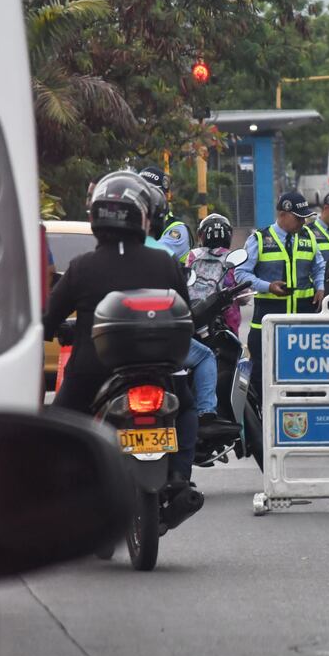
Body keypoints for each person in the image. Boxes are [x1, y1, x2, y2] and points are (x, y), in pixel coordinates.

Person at [45, 171, 201, 484]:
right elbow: (188, 317)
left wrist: (52, 328)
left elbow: (48, 320)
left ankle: (66, 488)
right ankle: (181, 476)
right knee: (186, 409)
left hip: (92, 371)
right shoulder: (165, 263)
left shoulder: (81, 267)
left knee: (58, 429)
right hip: (159, 372)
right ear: (142, 217)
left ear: (96, 217)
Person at [142, 184, 220, 425]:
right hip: (162, 343)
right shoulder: (163, 256)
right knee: (187, 408)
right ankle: (206, 411)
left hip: (115, 348)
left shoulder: (92, 260)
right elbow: (183, 307)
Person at [234, 191, 326, 395]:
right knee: (263, 378)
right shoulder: (259, 238)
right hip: (269, 323)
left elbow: (319, 267)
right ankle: (263, 423)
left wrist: (320, 286)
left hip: (303, 323)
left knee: (304, 379)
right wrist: (268, 286)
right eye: (298, 217)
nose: (303, 222)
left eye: (304, 217)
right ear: (283, 214)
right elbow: (241, 273)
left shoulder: (308, 235)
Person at [187, 213, 246, 335]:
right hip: (226, 321)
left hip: (197, 314)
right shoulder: (232, 257)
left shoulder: (193, 255)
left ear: (201, 235)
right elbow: (244, 296)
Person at [139, 165, 192, 262]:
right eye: (140, 192)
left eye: (151, 193)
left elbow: (155, 257)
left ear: (165, 196)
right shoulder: (132, 219)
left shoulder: (177, 228)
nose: (144, 197)